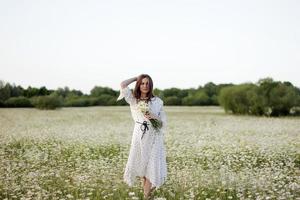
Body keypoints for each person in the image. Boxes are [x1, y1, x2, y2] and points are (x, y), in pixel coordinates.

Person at [117, 74, 167, 199]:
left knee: (152, 167)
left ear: (151, 85)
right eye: (142, 83)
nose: (145, 86)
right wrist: (136, 78)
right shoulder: (134, 99)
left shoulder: (158, 101)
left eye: (147, 83)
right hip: (139, 135)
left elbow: (162, 123)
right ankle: (147, 194)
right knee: (142, 168)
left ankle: (146, 196)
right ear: (139, 85)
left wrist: (154, 117)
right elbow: (123, 84)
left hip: (154, 136)